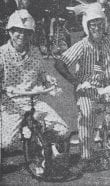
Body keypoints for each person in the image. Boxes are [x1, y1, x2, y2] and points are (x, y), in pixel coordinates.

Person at [55, 3, 110, 168]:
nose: (97, 28)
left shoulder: (109, 43)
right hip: (87, 89)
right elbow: (60, 63)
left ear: (105, 25)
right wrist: (76, 82)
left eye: (100, 24)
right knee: (87, 113)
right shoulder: (82, 45)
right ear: (87, 26)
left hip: (108, 88)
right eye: (93, 24)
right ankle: (86, 157)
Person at [0, 10, 68, 173]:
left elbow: (43, 73)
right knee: (7, 143)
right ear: (10, 31)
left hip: (34, 100)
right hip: (12, 102)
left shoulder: (36, 52)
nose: (22, 35)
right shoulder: (1, 53)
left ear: (31, 34)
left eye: (27, 32)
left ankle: (41, 144)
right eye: (18, 31)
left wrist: (49, 80)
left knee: (63, 131)